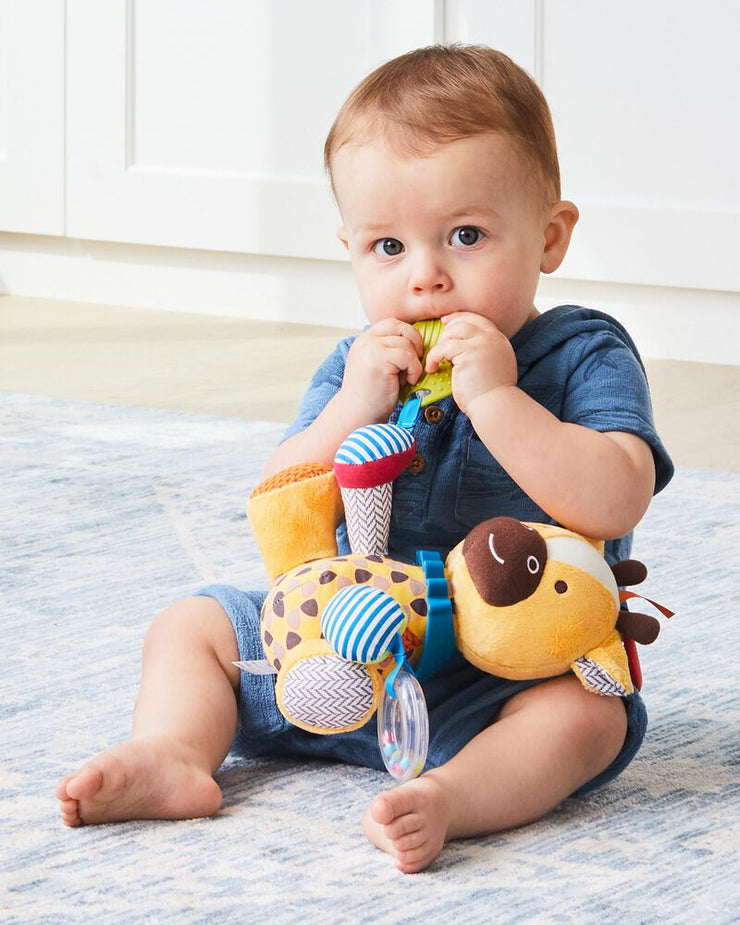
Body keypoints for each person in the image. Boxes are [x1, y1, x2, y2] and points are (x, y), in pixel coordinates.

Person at [56, 44, 673, 874]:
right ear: (349, 246)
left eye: (466, 236)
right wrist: (352, 405)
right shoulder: (360, 365)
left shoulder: (582, 354)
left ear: (550, 236)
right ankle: (172, 751)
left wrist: (498, 400)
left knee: (587, 717)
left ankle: (456, 795)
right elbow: (280, 499)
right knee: (192, 624)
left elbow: (615, 496)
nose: (426, 279)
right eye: (388, 247)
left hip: (496, 675)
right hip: (344, 651)